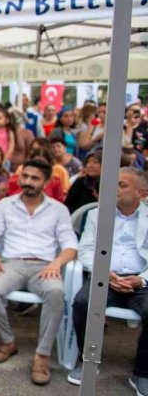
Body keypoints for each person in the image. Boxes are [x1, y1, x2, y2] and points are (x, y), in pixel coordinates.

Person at [0, 159, 78, 386]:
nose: (28, 182)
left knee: (55, 292)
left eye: (35, 178)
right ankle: (8, 341)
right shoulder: (5, 205)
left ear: (46, 182)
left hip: (44, 266)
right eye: (25, 176)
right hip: (12, 264)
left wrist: (57, 263)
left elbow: (71, 245)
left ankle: (42, 356)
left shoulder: (58, 209)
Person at [68, 168, 148, 394]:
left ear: (142, 193)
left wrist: (141, 280)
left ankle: (142, 372)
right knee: (83, 303)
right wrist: (104, 273)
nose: (114, 188)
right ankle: (88, 359)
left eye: (122, 185)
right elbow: (85, 250)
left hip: (140, 279)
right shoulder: (97, 214)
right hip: (105, 276)